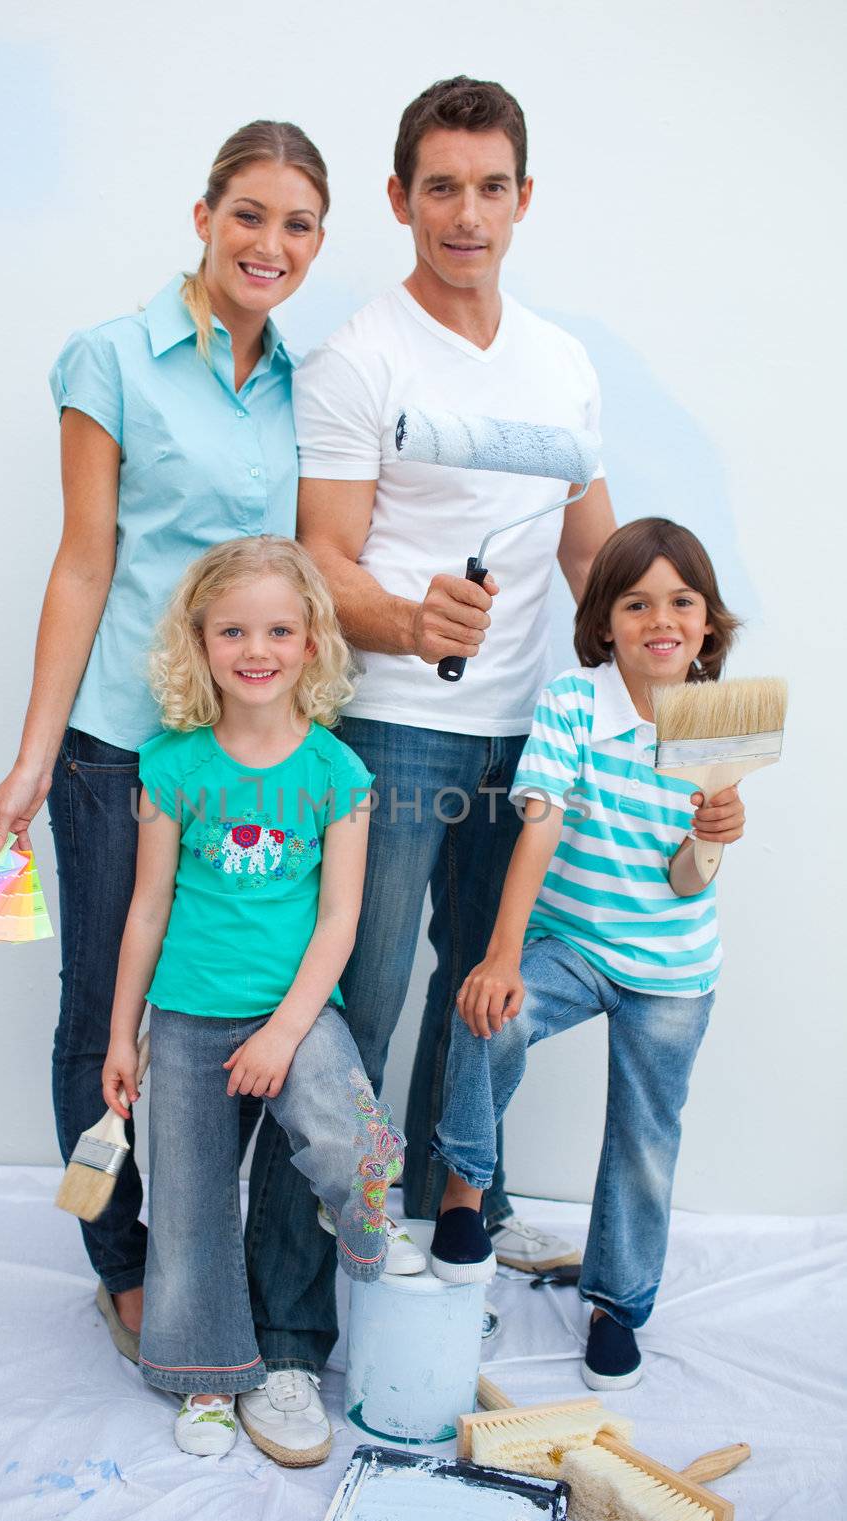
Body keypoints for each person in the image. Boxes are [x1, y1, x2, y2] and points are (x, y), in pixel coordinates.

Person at [241, 75, 617, 1442]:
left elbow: (593, 553)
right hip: (392, 734)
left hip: (524, 742)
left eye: (492, 186)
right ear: (401, 201)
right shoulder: (360, 358)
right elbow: (319, 559)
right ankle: (288, 1335)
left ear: (525, 198)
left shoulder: (563, 365)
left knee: (481, 1003)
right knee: (345, 1016)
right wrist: (407, 617)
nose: (468, 214)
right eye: (441, 187)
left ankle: (461, 1223)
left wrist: (675, 661)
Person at [0, 121, 330, 1362]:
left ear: (318, 240)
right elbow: (85, 562)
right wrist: (35, 753)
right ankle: (120, 1259)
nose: (269, 244)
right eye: (248, 214)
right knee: (106, 1010)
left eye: (296, 224)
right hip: (123, 748)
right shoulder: (112, 357)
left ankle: (209, 1245)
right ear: (202, 217)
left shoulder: (308, 382)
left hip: (255, 749)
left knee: (233, 995)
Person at [100, 536, 403, 1460]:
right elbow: (148, 910)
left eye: (278, 628)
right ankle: (204, 1377)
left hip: (298, 1012)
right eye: (232, 630)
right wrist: (126, 1035)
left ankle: (340, 1214)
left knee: (355, 1140)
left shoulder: (338, 774)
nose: (256, 648)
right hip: (189, 1017)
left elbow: (341, 921)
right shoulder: (174, 765)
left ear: (312, 641)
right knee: (189, 1204)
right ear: (200, 643)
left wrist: (283, 1032)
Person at [427, 517, 745, 1390]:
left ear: (707, 623)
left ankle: (617, 1304)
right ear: (604, 622)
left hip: (674, 971)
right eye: (636, 603)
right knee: (490, 1014)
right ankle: (465, 1194)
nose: (661, 620)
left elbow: (687, 882)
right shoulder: (573, 701)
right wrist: (500, 955)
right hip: (572, 942)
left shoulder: (714, 721)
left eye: (682, 601)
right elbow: (542, 821)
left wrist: (711, 837)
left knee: (646, 1139)